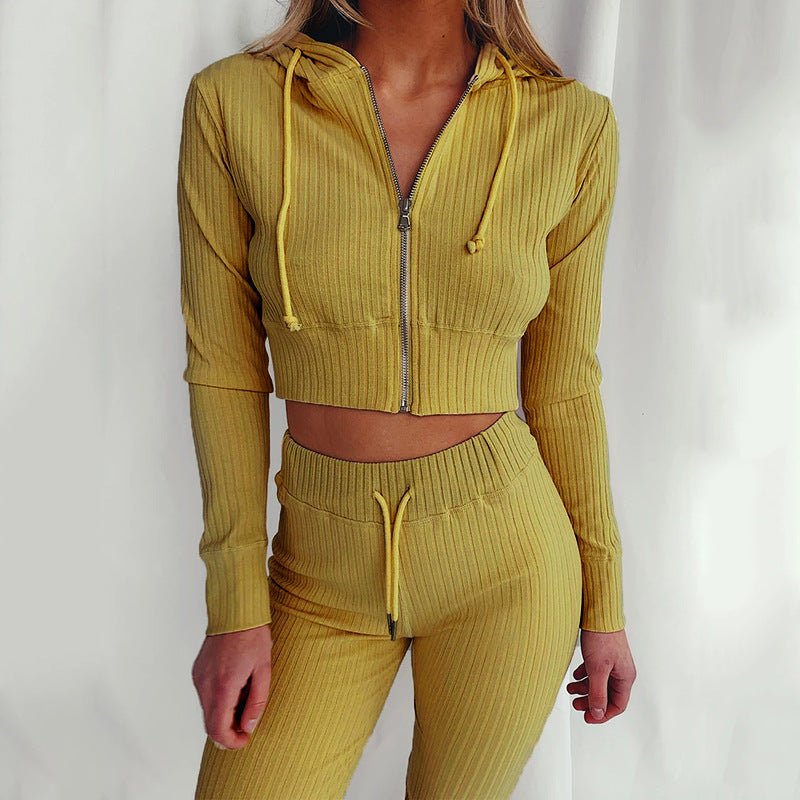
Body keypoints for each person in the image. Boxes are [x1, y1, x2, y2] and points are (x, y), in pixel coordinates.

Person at [176, 0, 637, 797]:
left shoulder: (571, 124)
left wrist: (606, 602)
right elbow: (224, 369)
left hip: (508, 565)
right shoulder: (235, 103)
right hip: (317, 568)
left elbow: (564, 384)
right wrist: (234, 604)